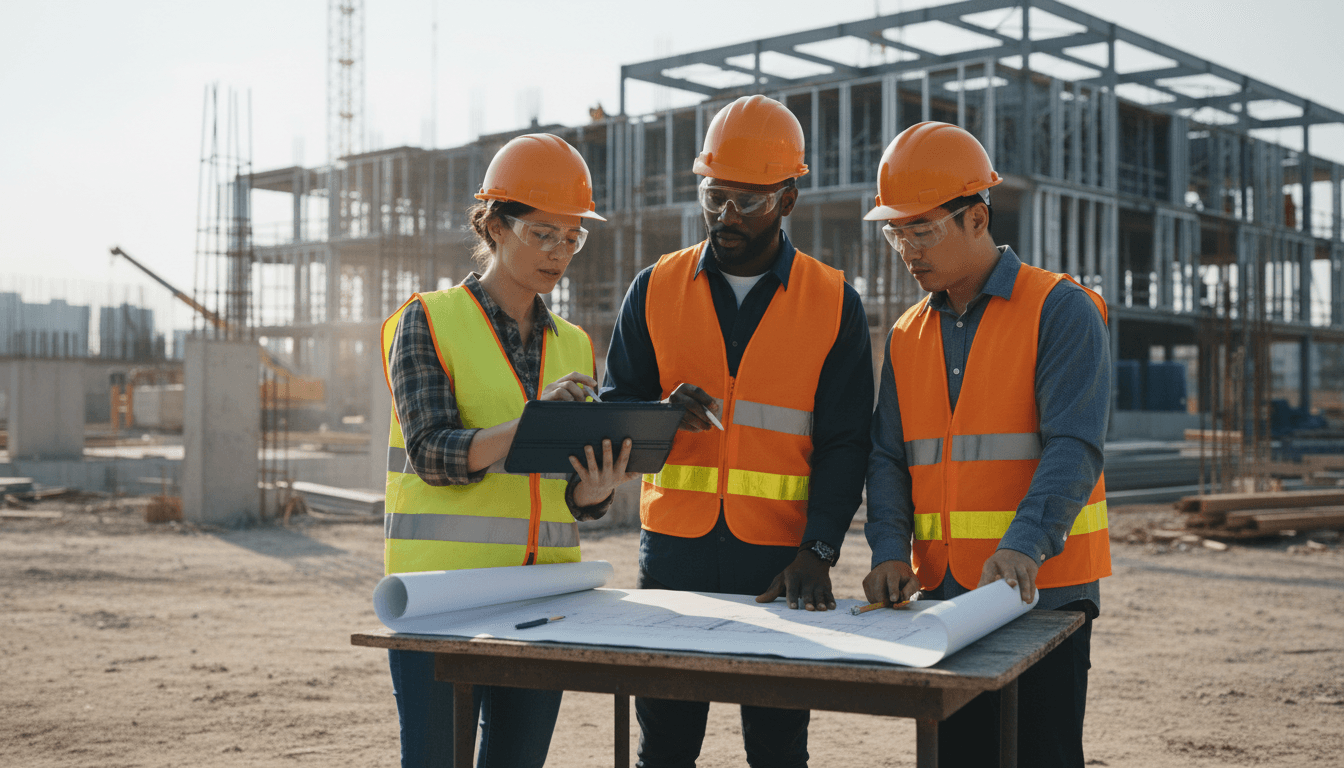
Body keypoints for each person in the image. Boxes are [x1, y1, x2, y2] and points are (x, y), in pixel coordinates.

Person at [602, 95, 873, 768]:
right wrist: (659, 413)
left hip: (781, 562)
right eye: (713, 195)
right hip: (673, 555)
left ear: (788, 199)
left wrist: (820, 549)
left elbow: (845, 442)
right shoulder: (655, 288)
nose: (726, 216)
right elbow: (614, 407)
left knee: (778, 750)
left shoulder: (833, 301)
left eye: (746, 202)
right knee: (664, 746)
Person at [380, 133, 638, 768]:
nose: (559, 253)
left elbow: (566, 493)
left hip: (544, 599)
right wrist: (533, 422)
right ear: (495, 225)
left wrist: (593, 491)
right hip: (442, 599)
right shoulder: (428, 320)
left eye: (572, 237)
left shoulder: (575, 343)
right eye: (543, 234)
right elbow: (432, 454)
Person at [861, 121, 1112, 768]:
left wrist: (1025, 544)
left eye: (923, 230)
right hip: (947, 602)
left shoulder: (1061, 309)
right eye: (896, 234)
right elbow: (890, 454)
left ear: (977, 217)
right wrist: (890, 549)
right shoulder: (907, 335)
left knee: (1041, 757)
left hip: (1041, 595)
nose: (908, 250)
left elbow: (1075, 444)